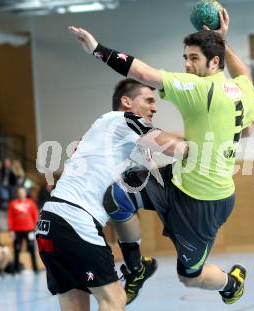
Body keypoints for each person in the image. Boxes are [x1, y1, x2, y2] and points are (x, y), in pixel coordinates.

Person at [70, 8, 254, 305]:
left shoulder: (201, 88)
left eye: (193, 58)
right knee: (118, 196)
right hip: (181, 176)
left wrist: (97, 50)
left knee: (190, 276)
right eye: (185, 57)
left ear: (214, 63)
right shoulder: (244, 91)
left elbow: (142, 73)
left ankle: (230, 283)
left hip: (205, 201)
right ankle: (136, 268)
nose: (186, 64)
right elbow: (243, 74)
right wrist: (221, 41)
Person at [36, 78, 187, 311]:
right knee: (114, 300)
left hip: (50, 221)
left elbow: (131, 194)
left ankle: (136, 267)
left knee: (75, 306)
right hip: (77, 221)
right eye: (148, 100)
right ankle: (135, 267)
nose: (154, 107)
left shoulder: (115, 137)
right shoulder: (122, 119)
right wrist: (218, 139)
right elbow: (171, 145)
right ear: (127, 102)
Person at [8, 186, 39, 273]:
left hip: (29, 230)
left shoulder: (31, 203)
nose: (21, 194)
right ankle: (16, 269)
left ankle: (35, 268)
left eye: (23, 192)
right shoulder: (13, 204)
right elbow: (10, 217)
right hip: (17, 230)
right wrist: (11, 230)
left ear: (25, 193)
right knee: (17, 249)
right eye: (20, 192)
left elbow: (35, 215)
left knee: (32, 248)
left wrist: (35, 226)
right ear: (18, 194)